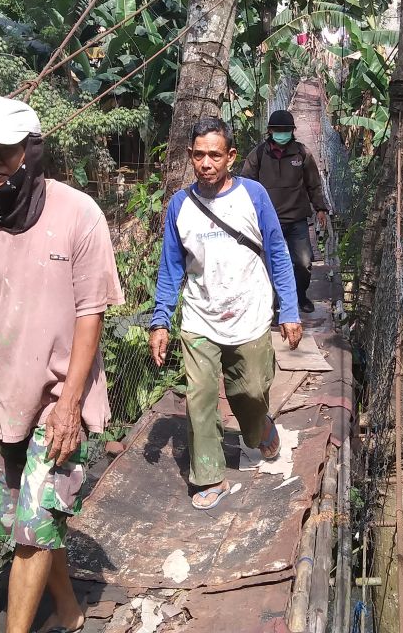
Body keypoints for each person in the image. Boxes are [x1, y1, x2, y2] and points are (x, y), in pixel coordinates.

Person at [0, 96, 123, 633]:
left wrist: (69, 405)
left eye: (4, 152)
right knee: (27, 523)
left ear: (32, 152)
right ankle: (69, 610)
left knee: (34, 524)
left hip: (63, 399)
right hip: (4, 403)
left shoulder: (79, 214)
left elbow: (91, 314)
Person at [149, 117, 302, 510]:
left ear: (231, 157)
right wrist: (160, 319)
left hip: (249, 313)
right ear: (190, 157)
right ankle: (209, 474)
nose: (206, 163)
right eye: (198, 155)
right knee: (199, 396)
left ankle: (259, 429)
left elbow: (279, 254)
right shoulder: (180, 206)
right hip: (200, 317)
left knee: (249, 391)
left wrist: (290, 310)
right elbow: (171, 268)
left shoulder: (254, 196)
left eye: (215, 155)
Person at [239, 109, 330, 314]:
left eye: (286, 130)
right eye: (279, 130)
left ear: (292, 131)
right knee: (269, 264)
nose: (282, 134)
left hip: (297, 219)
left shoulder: (302, 153)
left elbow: (313, 183)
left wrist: (321, 208)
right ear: (270, 131)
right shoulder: (259, 155)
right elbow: (245, 184)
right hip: (269, 221)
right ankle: (275, 302)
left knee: (303, 263)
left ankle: (300, 296)